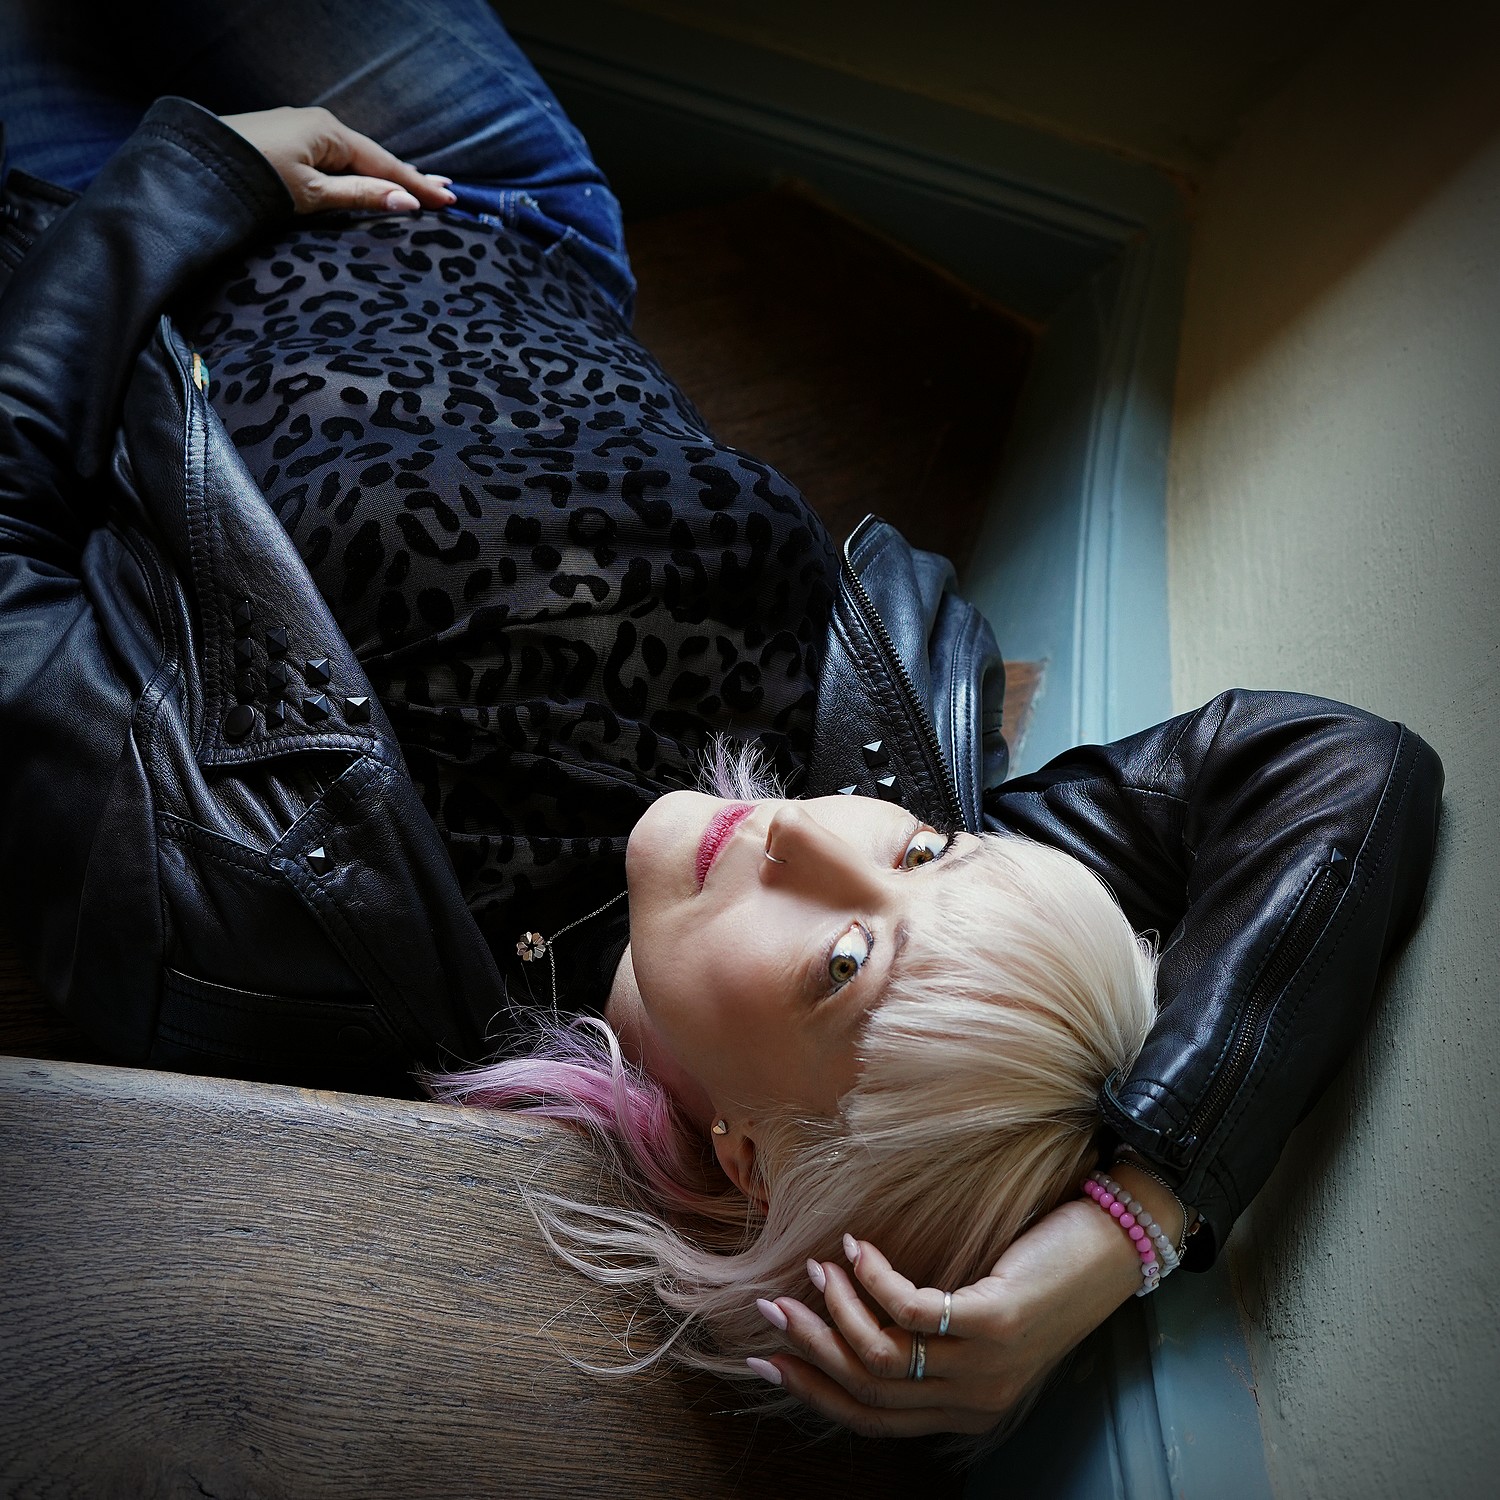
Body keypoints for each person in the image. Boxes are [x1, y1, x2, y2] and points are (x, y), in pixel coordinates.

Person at [0, 0, 1443, 1449]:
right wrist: (1136, 1219)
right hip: (496, 203)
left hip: (101, 252)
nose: (816, 836)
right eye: (926, 853)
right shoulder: (901, 835)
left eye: (843, 963)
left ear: (752, 1160)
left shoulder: (258, 930)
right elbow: (1344, 768)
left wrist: (189, 186)